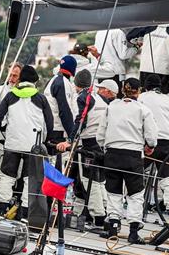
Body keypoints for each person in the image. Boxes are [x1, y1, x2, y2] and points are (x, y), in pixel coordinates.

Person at [97, 78, 158, 243]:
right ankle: (133, 233)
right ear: (139, 91)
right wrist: (150, 146)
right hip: (133, 155)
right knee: (135, 194)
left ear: (123, 90)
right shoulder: (143, 110)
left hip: (112, 154)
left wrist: (104, 147)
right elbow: (152, 137)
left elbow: (100, 134)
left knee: (113, 191)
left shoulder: (111, 107)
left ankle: (113, 229)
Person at [0, 65, 54, 222]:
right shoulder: (41, 99)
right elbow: (50, 123)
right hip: (33, 145)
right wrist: (43, 140)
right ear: (35, 81)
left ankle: (0, 208)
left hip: (12, 143)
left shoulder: (10, 96)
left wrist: (7, 133)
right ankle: (26, 213)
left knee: (6, 175)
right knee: (30, 178)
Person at [57, 72, 116, 231]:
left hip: (88, 144)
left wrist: (69, 141)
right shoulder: (101, 99)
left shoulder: (83, 97)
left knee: (89, 180)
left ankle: (98, 218)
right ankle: (97, 212)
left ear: (77, 84)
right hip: (101, 143)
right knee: (98, 181)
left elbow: (80, 121)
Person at [138, 74, 169, 212]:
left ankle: (131, 205)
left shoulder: (142, 98)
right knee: (168, 178)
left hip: (149, 143)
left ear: (145, 86)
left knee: (134, 173)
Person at [43, 55, 78, 164]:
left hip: (48, 129)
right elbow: (65, 111)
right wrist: (72, 136)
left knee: (50, 165)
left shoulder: (52, 80)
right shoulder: (63, 83)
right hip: (58, 132)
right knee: (59, 166)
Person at [139, 23, 169, 90]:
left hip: (145, 67)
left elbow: (130, 37)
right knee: (162, 95)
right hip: (164, 69)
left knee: (144, 93)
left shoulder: (148, 26)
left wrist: (137, 44)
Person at [93, 28, 142, 93]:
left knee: (104, 98)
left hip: (103, 72)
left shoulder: (99, 32)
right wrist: (136, 47)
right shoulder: (118, 32)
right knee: (116, 98)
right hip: (115, 73)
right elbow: (123, 55)